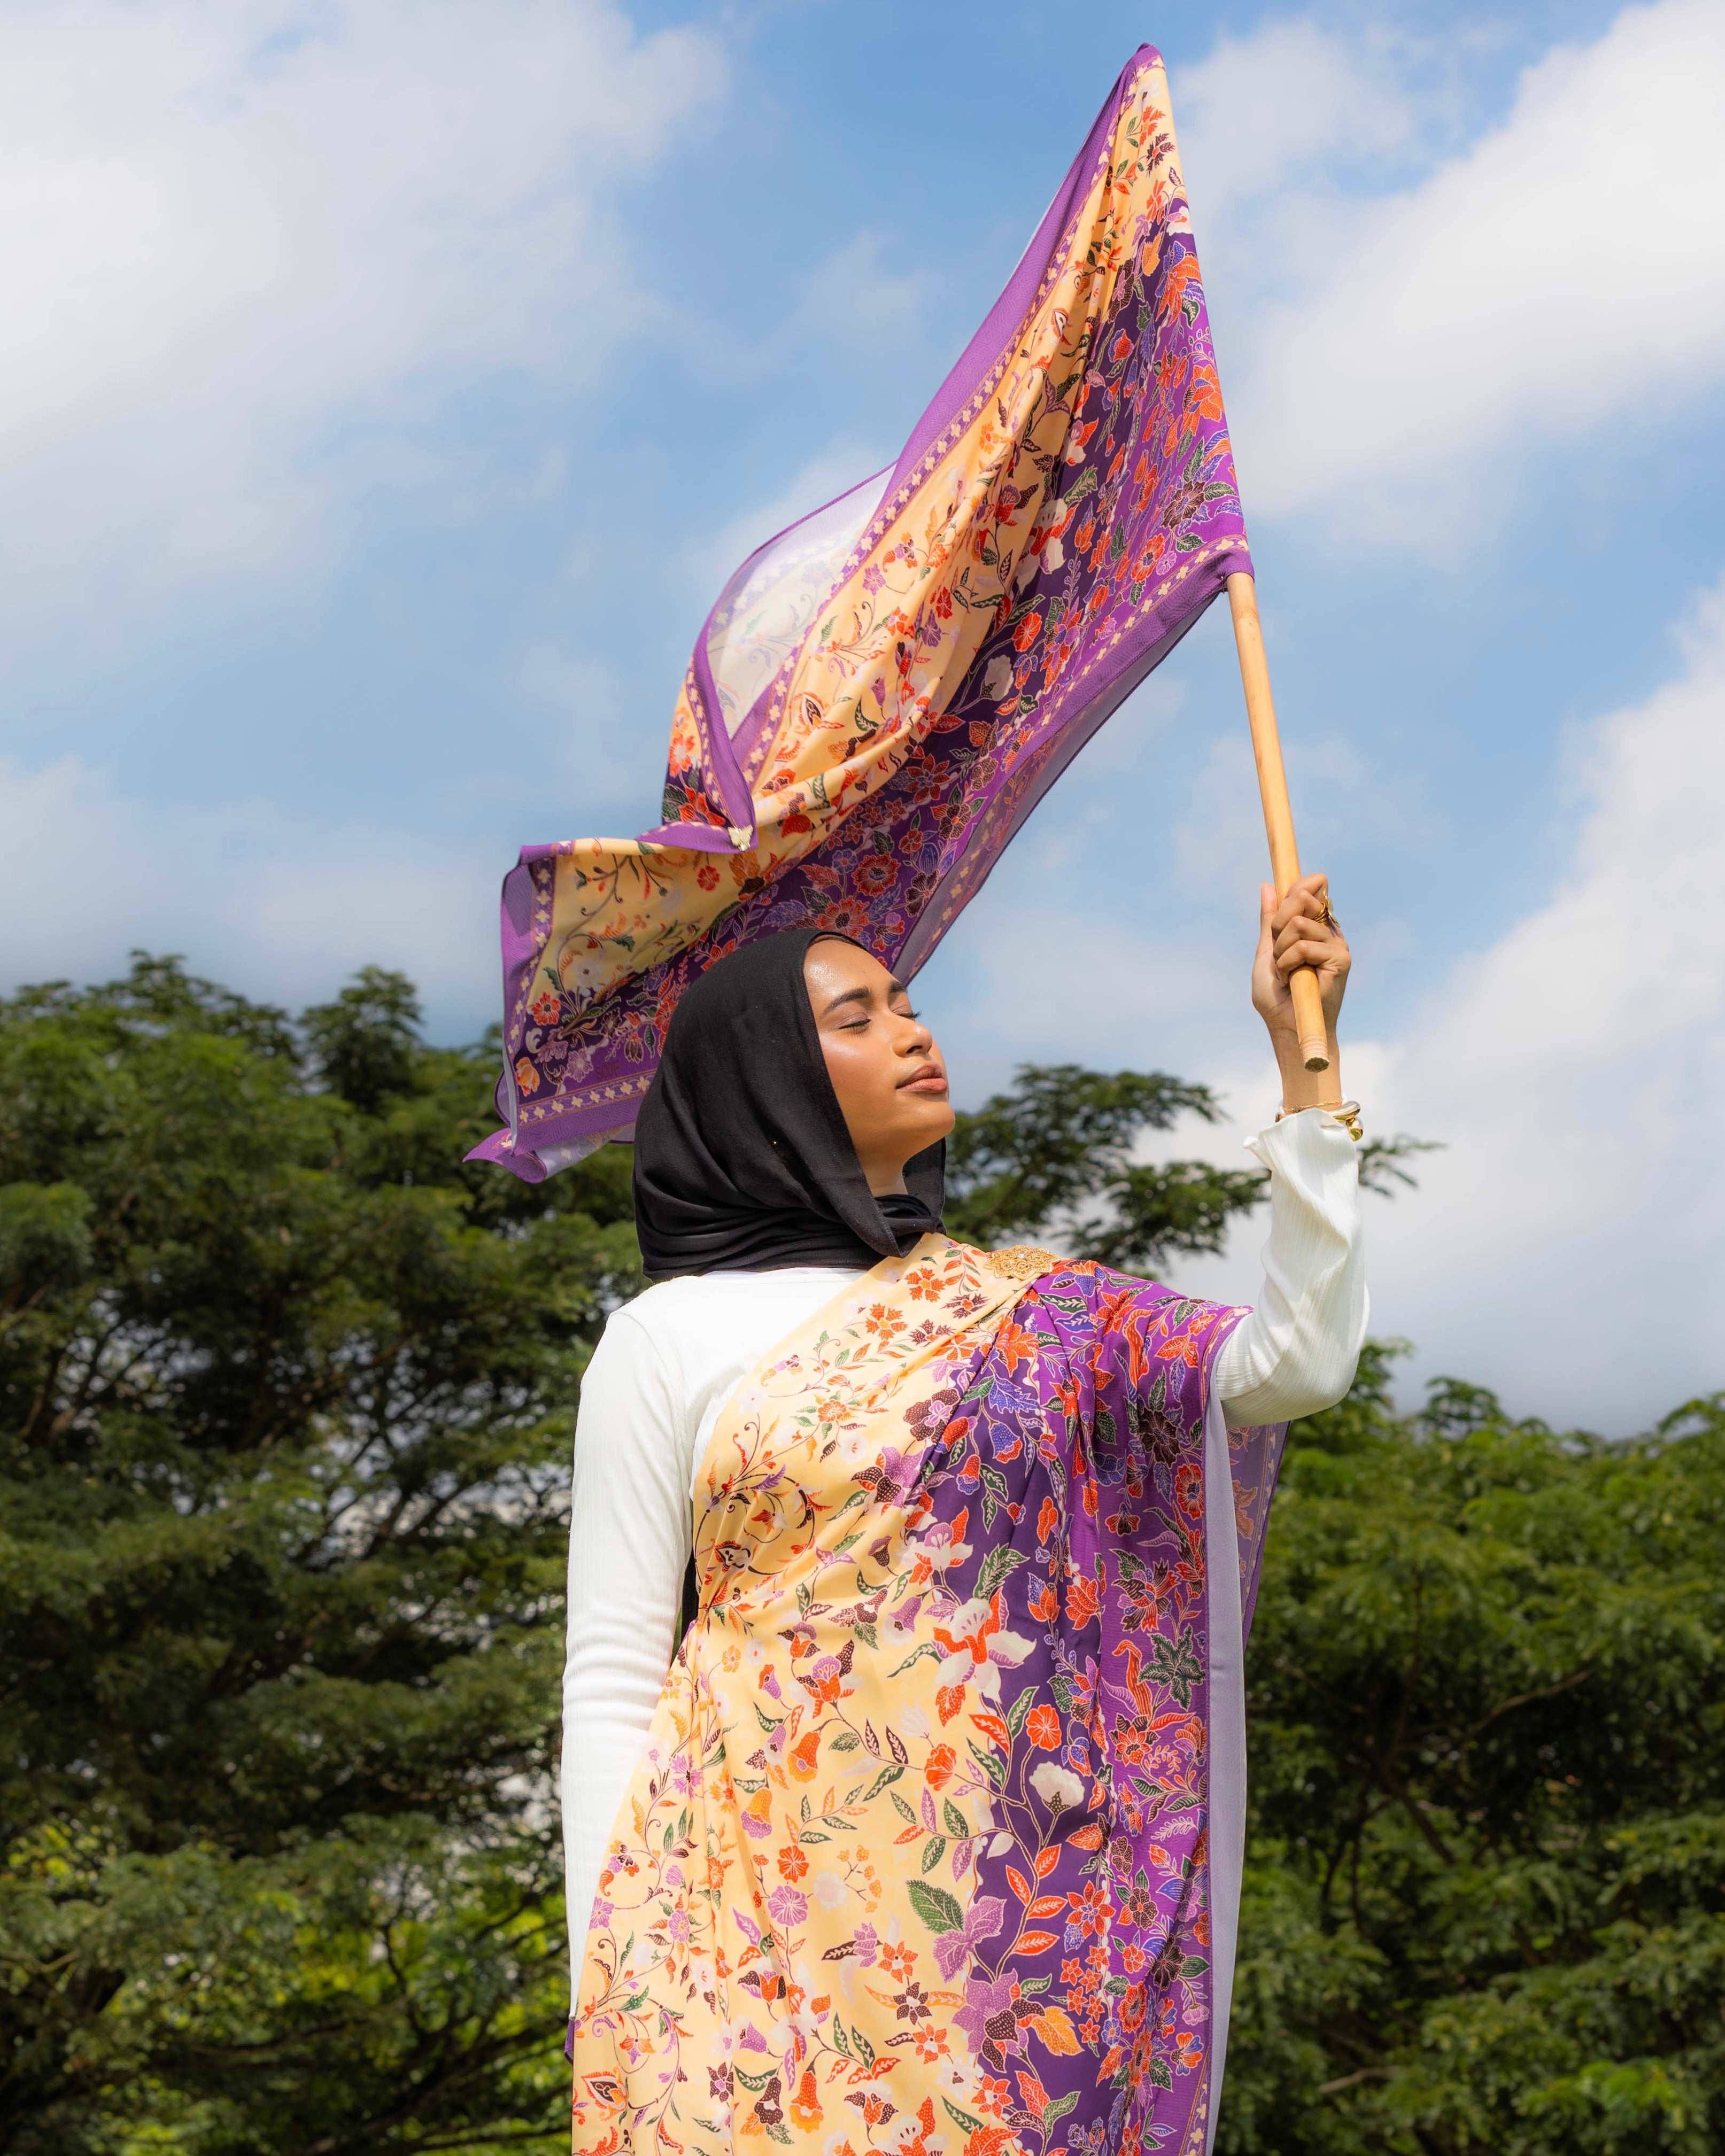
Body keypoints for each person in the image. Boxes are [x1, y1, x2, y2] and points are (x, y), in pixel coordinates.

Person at [562, 875, 1363, 2156]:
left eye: (912, 1005)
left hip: (995, 1937)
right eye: (859, 1016)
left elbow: (1294, 1365)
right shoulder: (665, 1338)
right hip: (743, 1931)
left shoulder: (1032, 1315)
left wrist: (1306, 1072)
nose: (914, 1031)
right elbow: (611, 1677)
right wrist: (612, 1994)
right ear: (763, 1076)